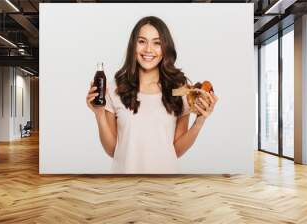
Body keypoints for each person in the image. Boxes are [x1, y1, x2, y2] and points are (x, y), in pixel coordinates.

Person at [86, 16, 218, 174]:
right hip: (123, 187)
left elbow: (176, 150)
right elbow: (112, 150)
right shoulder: (115, 89)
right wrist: (99, 114)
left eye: (157, 43)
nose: (148, 49)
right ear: (133, 46)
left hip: (164, 187)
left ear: (165, 48)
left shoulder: (179, 90)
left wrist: (200, 121)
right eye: (142, 41)